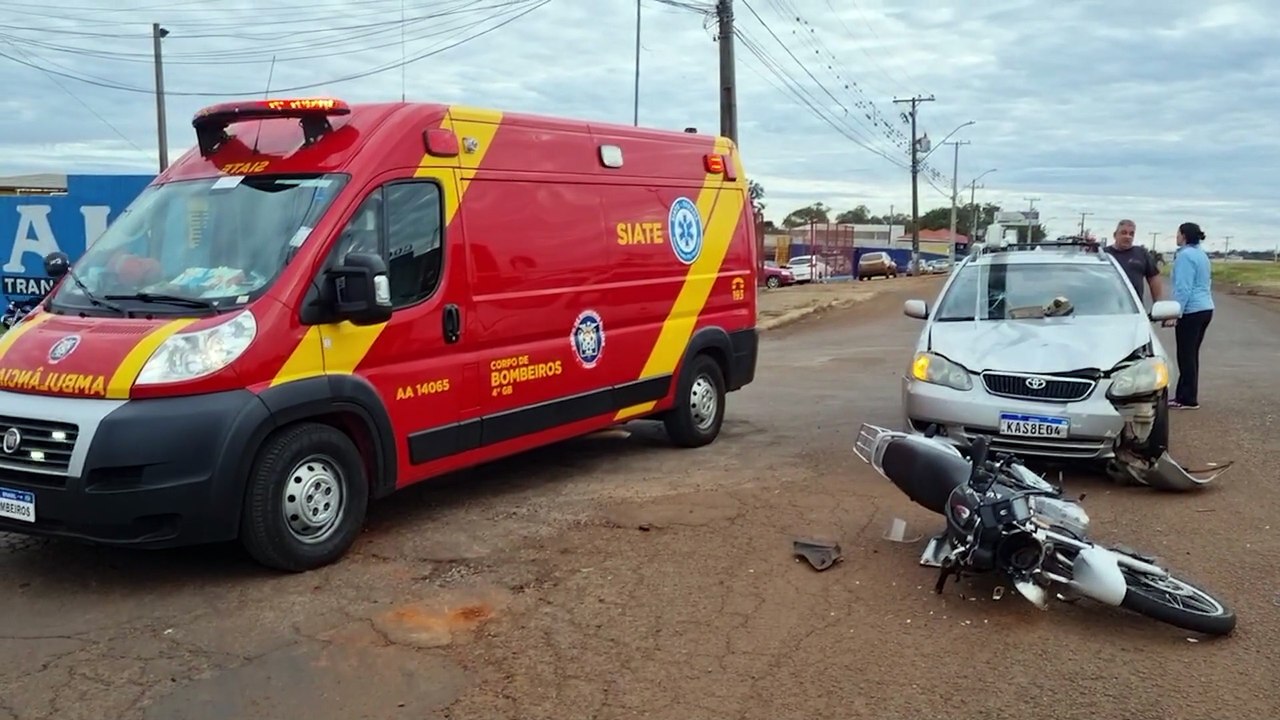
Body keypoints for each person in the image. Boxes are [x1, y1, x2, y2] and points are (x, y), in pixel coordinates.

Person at [1169, 222, 1214, 409]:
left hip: (1192, 311)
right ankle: (1186, 395)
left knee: (1185, 355)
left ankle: (1186, 398)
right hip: (1206, 308)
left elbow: (1183, 288)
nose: (1176, 236)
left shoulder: (1185, 256)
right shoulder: (1201, 254)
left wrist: (1175, 313)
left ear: (1184, 235)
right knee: (1191, 354)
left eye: (1178, 233)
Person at [1103, 219, 1165, 303]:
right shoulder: (1103, 254)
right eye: (1123, 233)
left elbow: (1154, 278)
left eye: (1131, 234)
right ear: (1115, 235)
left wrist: (1158, 304)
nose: (1128, 236)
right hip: (1106, 306)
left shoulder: (1142, 254)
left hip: (1134, 310)